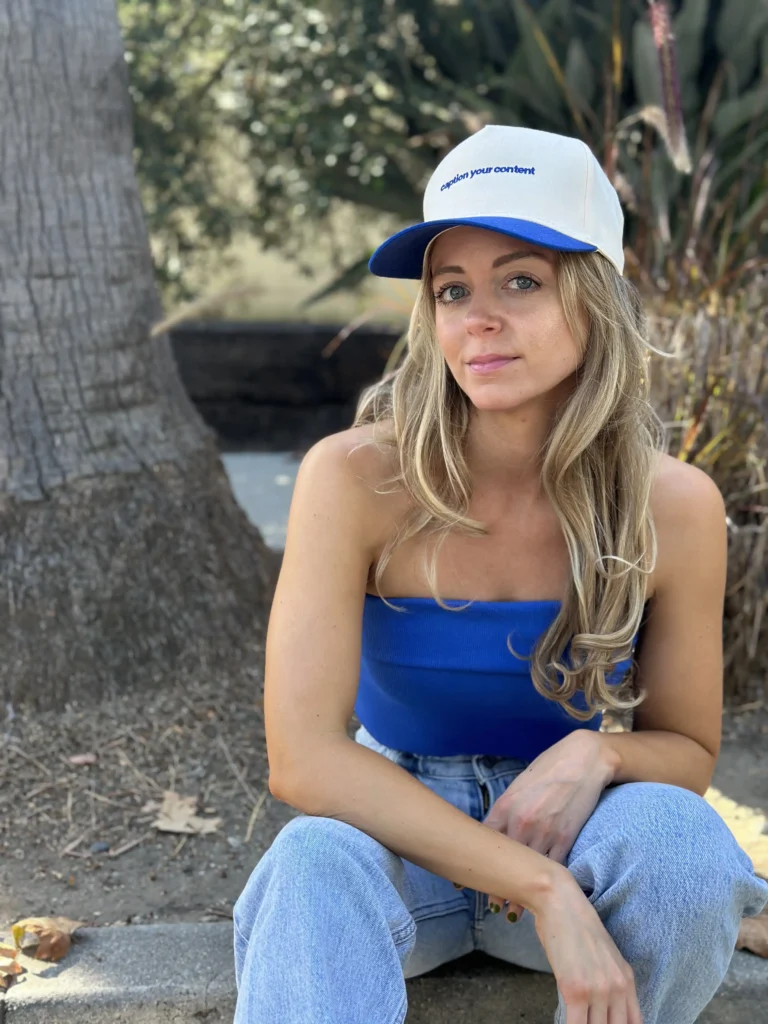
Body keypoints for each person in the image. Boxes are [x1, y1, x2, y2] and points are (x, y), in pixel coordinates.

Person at [232, 125, 768, 1024]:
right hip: (395, 839)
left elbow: (686, 750)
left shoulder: (672, 505)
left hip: (580, 829)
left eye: (521, 280)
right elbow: (304, 761)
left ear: (598, 297)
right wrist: (542, 890)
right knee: (310, 862)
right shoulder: (357, 477)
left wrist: (595, 751)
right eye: (452, 289)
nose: (477, 318)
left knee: (684, 849)